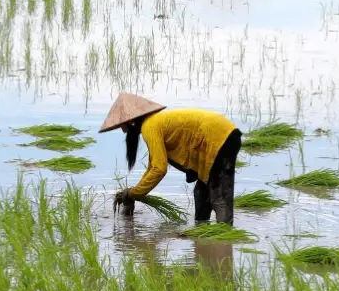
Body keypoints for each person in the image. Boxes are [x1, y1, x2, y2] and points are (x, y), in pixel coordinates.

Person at [100, 93, 242, 224]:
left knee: (218, 196)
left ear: (130, 121)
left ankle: (224, 242)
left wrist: (133, 193)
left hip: (219, 137)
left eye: (122, 126)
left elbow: (159, 169)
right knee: (201, 193)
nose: (123, 131)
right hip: (219, 134)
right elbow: (152, 166)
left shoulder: (150, 127)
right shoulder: (154, 123)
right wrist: (135, 192)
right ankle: (202, 235)